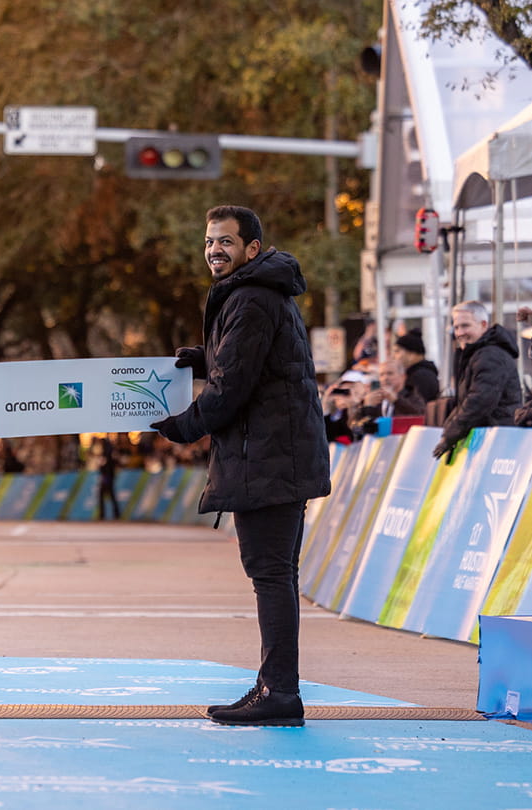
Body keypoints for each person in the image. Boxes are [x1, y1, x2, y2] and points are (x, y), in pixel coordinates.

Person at [149, 205, 330, 727]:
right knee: (276, 575)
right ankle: (276, 686)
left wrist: (182, 426)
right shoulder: (257, 293)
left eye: (226, 242)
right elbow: (254, 364)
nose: (214, 250)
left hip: (268, 458)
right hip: (277, 455)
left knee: (270, 576)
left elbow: (233, 388)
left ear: (252, 248)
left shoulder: (251, 297)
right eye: (210, 241)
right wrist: (205, 358)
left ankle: (280, 692)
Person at [432, 300, 521, 461]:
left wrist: (450, 435)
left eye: (465, 326)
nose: (460, 333)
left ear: (483, 324)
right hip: (490, 440)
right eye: (456, 327)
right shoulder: (476, 355)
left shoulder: (490, 355)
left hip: (497, 443)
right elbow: (465, 403)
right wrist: (449, 431)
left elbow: (479, 401)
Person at [390, 328, 440, 406]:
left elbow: (418, 407)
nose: (393, 356)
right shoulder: (415, 374)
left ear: (411, 354)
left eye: (397, 351)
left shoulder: (421, 376)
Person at [95, 436, 120, 520]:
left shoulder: (106, 454)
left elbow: (105, 466)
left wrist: (104, 474)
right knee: (110, 495)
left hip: (107, 476)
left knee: (105, 495)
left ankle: (104, 514)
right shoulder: (109, 453)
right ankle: (115, 514)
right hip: (108, 476)